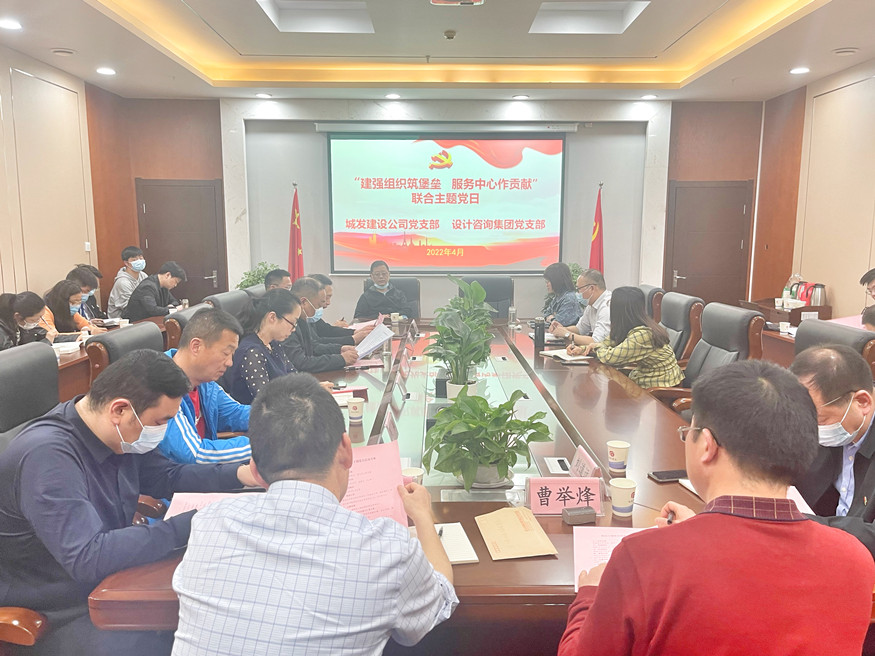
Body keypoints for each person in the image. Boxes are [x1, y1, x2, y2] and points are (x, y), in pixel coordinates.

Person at [559, 359, 875, 656]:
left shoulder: (643, 558)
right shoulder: (855, 560)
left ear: (707, 446)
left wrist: (589, 595)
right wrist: (703, 527)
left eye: (688, 433)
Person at [172, 374, 458, 655]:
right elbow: (441, 599)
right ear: (346, 450)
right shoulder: (388, 549)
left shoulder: (208, 525)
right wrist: (423, 516)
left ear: (255, 470)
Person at [0, 350, 259, 656]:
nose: (162, 431)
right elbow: (88, 556)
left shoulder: (117, 434)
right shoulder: (47, 457)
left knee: (215, 609)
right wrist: (192, 523)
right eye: (160, 421)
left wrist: (241, 475)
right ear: (119, 409)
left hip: (109, 580)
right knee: (177, 637)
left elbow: (167, 476)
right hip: (55, 609)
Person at [790, 345, 875, 556]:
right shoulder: (833, 426)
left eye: (821, 419)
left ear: (862, 402)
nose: (812, 429)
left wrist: (808, 525)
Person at [160, 307, 252, 464]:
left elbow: (236, 414)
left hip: (207, 473)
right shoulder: (161, 385)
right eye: (226, 353)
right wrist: (263, 446)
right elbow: (195, 454)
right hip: (175, 476)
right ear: (196, 346)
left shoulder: (204, 383)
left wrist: (281, 418)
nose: (230, 362)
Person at [222, 289, 334, 404]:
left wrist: (314, 387)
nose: (294, 329)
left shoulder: (273, 344)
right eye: (293, 322)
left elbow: (294, 377)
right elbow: (267, 400)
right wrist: (310, 393)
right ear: (272, 317)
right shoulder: (252, 352)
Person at [572, 286, 682, 388]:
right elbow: (607, 343)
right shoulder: (629, 326)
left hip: (660, 386)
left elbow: (611, 358)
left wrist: (595, 347)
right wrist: (582, 349)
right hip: (643, 377)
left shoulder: (643, 335)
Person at [282, 277, 359, 373]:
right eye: (318, 305)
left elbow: (313, 346)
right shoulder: (287, 325)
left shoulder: (302, 319)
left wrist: (339, 349)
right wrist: (341, 359)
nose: (322, 308)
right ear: (304, 302)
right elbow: (301, 363)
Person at [549, 269, 611, 346]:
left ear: (591, 288)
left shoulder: (607, 306)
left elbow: (596, 342)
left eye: (579, 289)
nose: (578, 293)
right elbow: (580, 329)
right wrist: (562, 329)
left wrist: (567, 334)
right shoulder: (592, 304)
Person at [309, 273, 374, 346]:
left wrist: (355, 332)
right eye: (325, 297)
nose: (328, 302)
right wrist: (353, 339)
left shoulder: (312, 317)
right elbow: (317, 344)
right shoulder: (302, 318)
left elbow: (327, 330)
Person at [41, 280, 107, 341]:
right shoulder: (44, 312)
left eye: (79, 302)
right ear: (62, 301)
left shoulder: (70, 311)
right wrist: (88, 333)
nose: (76, 306)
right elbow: (54, 336)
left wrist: (93, 329)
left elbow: (85, 324)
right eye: (73, 302)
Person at [107, 246, 148, 318]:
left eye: (141, 258)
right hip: (121, 319)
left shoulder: (143, 275)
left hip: (139, 313)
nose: (139, 261)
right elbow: (129, 307)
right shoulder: (122, 282)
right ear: (126, 263)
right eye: (134, 260)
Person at [542, 262, 582, 327]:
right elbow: (546, 313)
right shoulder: (559, 296)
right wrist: (552, 317)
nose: (546, 285)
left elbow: (558, 323)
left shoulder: (569, 298)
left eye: (548, 281)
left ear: (556, 281)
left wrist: (551, 318)